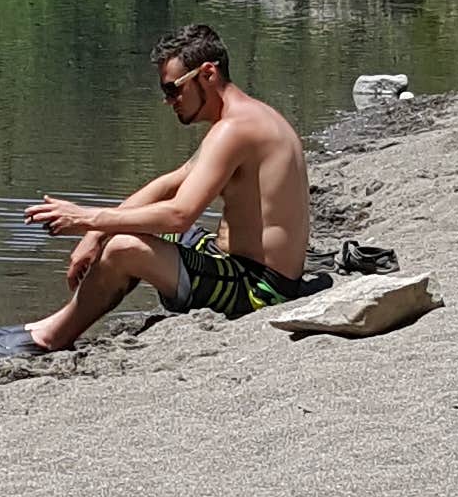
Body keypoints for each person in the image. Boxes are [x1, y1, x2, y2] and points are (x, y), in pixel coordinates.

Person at [23, 22, 313, 352]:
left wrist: (86, 218)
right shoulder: (247, 118)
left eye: (173, 89)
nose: (169, 101)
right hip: (244, 267)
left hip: (260, 290)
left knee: (123, 248)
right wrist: (93, 237)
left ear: (208, 74)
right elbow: (167, 185)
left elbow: (179, 215)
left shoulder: (235, 130)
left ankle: (53, 336)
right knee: (129, 228)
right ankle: (60, 319)